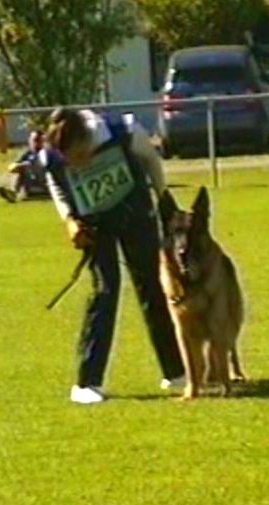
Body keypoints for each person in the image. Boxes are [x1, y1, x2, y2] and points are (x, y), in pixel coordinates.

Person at [41, 108, 185, 404]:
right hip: (94, 225)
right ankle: (87, 383)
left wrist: (163, 199)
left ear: (87, 137)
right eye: (70, 159)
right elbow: (55, 181)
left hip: (135, 214)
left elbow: (151, 163)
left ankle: (176, 371)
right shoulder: (52, 154)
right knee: (105, 291)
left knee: (153, 288)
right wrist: (69, 219)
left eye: (80, 154)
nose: (77, 164)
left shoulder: (125, 130)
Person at [0, 130, 46, 203]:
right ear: (29, 141)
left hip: (45, 183)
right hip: (30, 183)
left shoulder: (48, 153)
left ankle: (45, 192)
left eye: (39, 140)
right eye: (35, 140)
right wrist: (20, 165)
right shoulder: (26, 154)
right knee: (21, 168)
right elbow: (11, 167)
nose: (37, 143)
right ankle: (12, 193)